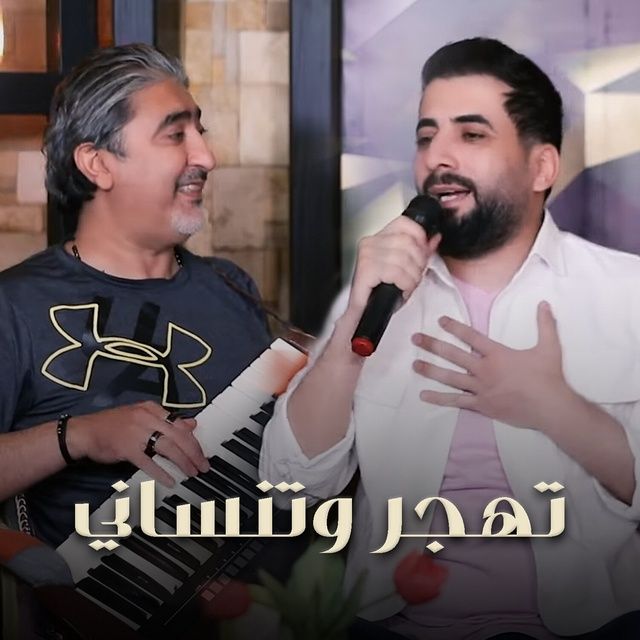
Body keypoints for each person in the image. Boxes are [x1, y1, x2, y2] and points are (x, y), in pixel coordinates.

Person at [260, 38, 640, 639]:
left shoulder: (627, 293)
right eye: (426, 136)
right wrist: (355, 318)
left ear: (541, 167)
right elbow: (290, 487)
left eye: (471, 134)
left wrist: (557, 409)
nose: (438, 156)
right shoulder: (375, 296)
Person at [0, 43, 271, 549]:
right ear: (98, 163)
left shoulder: (233, 286)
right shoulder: (14, 305)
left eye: (201, 131)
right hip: (105, 593)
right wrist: (78, 435)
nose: (206, 157)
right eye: (176, 134)